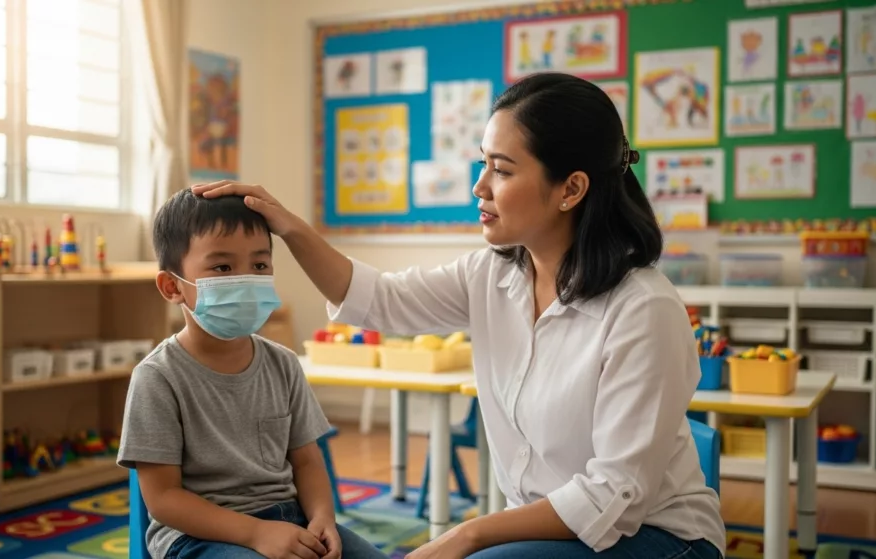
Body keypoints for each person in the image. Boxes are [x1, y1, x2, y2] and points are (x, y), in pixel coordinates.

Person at [192, 72, 726, 558]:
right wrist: (287, 226)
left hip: (658, 537)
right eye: (483, 163)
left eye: (502, 170)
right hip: (551, 529)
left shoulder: (643, 308)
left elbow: (616, 496)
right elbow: (377, 299)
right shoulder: (491, 274)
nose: (480, 186)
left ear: (571, 189)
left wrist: (468, 533)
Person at [117, 191, 388, 559]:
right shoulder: (158, 377)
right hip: (198, 536)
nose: (245, 280)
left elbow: (307, 460)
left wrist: (323, 517)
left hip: (289, 520)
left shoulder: (284, 364)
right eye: (223, 268)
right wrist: (257, 533)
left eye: (259, 266)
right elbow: (163, 499)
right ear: (172, 286)